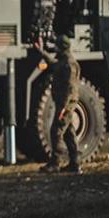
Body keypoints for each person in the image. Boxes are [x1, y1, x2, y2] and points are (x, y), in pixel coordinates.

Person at [36, 35, 82, 174]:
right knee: (68, 132)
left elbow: (70, 88)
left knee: (56, 131)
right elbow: (53, 64)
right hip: (64, 103)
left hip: (66, 104)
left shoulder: (69, 64)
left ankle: (55, 163)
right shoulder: (64, 61)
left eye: (57, 45)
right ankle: (75, 164)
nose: (55, 47)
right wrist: (41, 51)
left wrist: (63, 107)